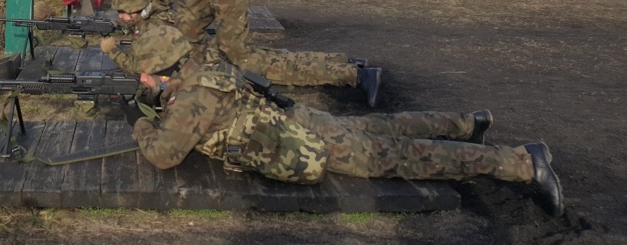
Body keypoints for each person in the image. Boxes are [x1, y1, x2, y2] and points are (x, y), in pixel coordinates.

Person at [117, 26, 564, 218]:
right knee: (385, 127)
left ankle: (523, 163)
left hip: (302, 140)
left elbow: (162, 155)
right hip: (297, 118)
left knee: (403, 157)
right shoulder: (203, 68)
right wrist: (157, 96)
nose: (141, 78)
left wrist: (140, 120)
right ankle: (468, 123)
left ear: (163, 69)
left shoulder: (193, 100)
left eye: (144, 72)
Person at [101, 0, 382, 107]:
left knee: (287, 70)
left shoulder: (155, 27)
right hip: (222, 51)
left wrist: (112, 50)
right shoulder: (162, 11)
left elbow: (139, 66)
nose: (122, 17)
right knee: (281, 59)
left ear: (143, 10)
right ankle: (345, 63)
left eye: (126, 13)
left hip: (223, 62)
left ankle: (357, 76)